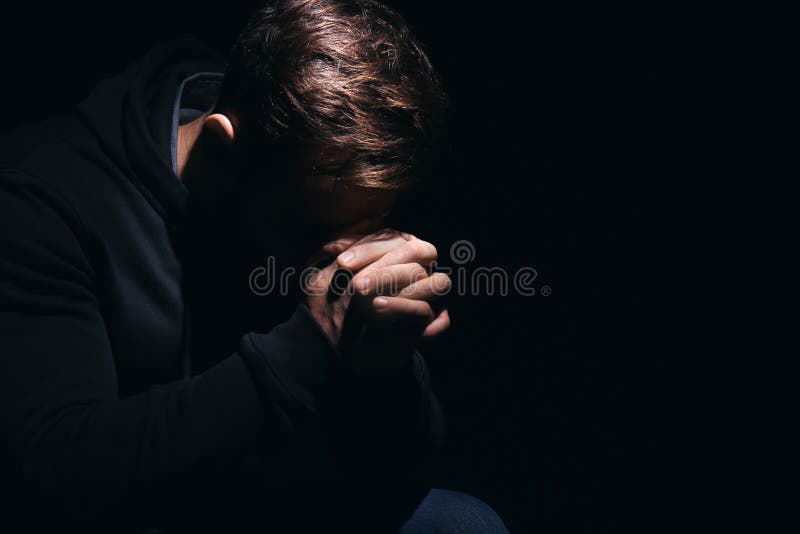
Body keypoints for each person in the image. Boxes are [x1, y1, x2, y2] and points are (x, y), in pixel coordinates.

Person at [0, 0, 509, 532]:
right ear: (221, 149)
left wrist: (383, 363)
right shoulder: (38, 201)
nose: (341, 254)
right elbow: (55, 471)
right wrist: (307, 349)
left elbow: (397, 470)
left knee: (462, 523)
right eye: (315, 232)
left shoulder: (314, 170)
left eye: (373, 222)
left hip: (267, 496)